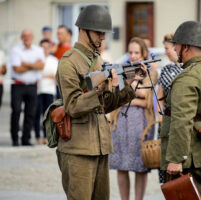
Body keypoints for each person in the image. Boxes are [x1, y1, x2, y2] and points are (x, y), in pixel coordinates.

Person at [55, 5, 146, 200]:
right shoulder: (68, 62)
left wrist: (130, 84)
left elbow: (105, 105)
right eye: (98, 32)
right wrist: (101, 90)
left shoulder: (97, 61)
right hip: (78, 147)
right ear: (84, 30)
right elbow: (73, 106)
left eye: (103, 32)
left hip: (100, 144)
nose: (103, 37)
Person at [160, 21, 201, 199]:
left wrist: (176, 158)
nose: (174, 48)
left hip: (191, 157)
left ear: (186, 46)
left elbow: (182, 120)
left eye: (177, 44)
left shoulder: (189, 76)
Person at [109, 37, 158, 200]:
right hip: (121, 123)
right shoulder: (121, 69)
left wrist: (128, 93)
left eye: (137, 52)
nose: (133, 55)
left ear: (144, 53)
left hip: (142, 124)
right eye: (130, 52)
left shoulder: (151, 72)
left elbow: (147, 96)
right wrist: (133, 92)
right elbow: (116, 95)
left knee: (140, 167)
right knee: (121, 165)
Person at [9, 29, 45, 146]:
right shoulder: (16, 50)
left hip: (32, 86)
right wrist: (34, 65)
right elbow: (16, 68)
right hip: (18, 85)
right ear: (21, 37)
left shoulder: (39, 50)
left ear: (33, 36)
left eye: (29, 35)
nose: (27, 37)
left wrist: (25, 63)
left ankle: (25, 139)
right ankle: (15, 139)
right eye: (24, 36)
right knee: (16, 111)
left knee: (30, 113)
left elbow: (41, 66)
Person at [34, 39, 58, 145]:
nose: (44, 50)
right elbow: (34, 75)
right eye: (42, 47)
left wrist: (43, 76)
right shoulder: (36, 60)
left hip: (49, 90)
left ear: (50, 48)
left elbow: (55, 76)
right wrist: (48, 76)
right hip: (38, 90)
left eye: (46, 47)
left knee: (47, 115)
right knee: (36, 113)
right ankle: (37, 136)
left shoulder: (53, 60)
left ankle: (46, 136)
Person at [157, 33, 182, 122]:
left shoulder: (188, 67)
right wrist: (161, 119)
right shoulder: (165, 70)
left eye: (167, 48)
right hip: (167, 119)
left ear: (175, 47)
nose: (165, 52)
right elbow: (160, 97)